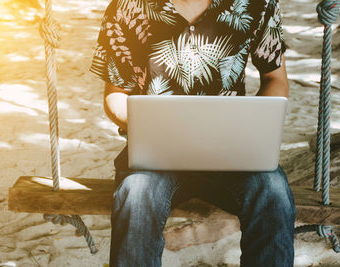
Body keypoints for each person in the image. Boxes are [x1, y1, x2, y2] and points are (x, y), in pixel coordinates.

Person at [90, 0, 296, 266]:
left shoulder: (257, 4)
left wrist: (256, 123)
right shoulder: (128, 6)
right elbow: (115, 95)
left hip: (232, 151)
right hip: (156, 154)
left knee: (273, 190)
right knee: (136, 194)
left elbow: (275, 79)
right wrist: (146, 125)